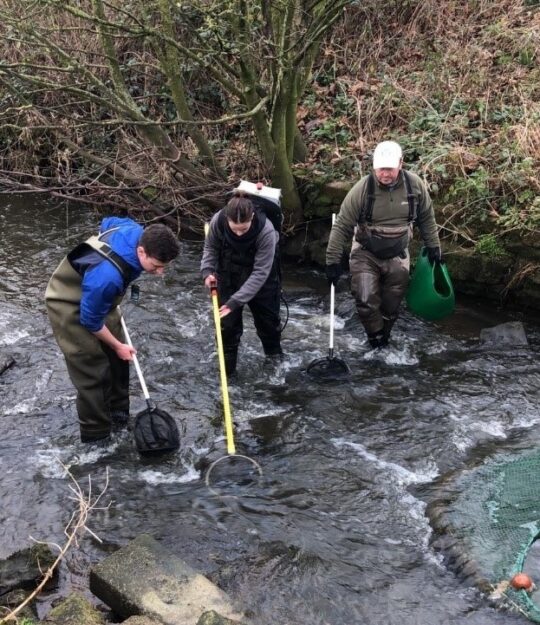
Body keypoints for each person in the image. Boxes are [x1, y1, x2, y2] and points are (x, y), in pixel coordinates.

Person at [45, 217, 180, 444]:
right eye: (156, 266)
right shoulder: (107, 277)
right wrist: (116, 345)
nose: (160, 273)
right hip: (69, 303)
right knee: (93, 369)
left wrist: (118, 348)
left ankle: (119, 416)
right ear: (141, 251)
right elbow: (90, 322)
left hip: (100, 299)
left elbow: (107, 222)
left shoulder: (135, 230)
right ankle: (97, 437)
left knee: (120, 359)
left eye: (164, 267)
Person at [325, 140, 442, 349]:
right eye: (381, 170)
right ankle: (375, 338)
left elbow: (426, 218)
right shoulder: (362, 189)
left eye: (390, 169)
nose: (385, 174)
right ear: (374, 167)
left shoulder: (414, 186)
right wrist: (332, 261)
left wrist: (434, 247)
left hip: (398, 253)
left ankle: (384, 340)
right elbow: (342, 225)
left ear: (401, 164)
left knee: (392, 304)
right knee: (365, 297)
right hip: (365, 252)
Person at [201, 192, 282, 375]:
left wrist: (235, 302)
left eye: (243, 230)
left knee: (268, 326)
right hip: (228, 276)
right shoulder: (217, 221)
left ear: (252, 217)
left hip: (262, 282)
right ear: (227, 218)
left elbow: (260, 273)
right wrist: (207, 272)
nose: (238, 233)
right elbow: (210, 248)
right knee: (227, 330)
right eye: (234, 229)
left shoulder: (266, 230)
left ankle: (275, 367)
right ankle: (228, 374)